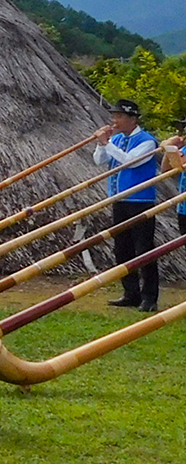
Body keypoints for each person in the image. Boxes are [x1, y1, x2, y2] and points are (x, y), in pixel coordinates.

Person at [94, 99, 161, 311]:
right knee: (122, 248)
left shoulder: (147, 141)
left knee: (144, 249)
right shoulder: (119, 139)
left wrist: (107, 143)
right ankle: (130, 293)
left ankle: (150, 297)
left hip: (140, 201)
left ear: (133, 119)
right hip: (119, 199)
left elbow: (130, 161)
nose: (115, 120)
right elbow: (99, 161)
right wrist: (101, 143)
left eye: (119, 116)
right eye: (114, 116)